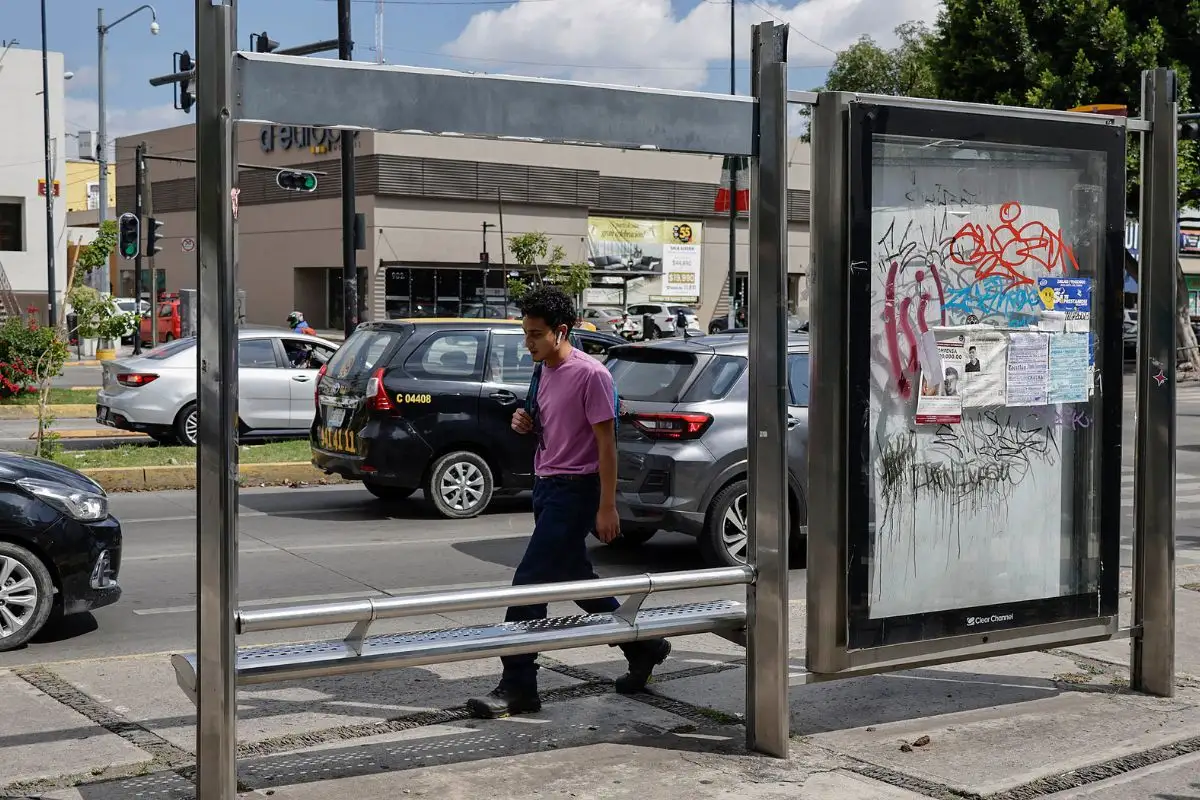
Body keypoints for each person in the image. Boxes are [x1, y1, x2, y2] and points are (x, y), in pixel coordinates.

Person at [466, 287, 671, 719]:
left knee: (529, 585)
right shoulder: (543, 372)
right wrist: (526, 423)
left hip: (577, 492)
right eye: (525, 334)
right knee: (575, 578)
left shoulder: (592, 375)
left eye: (536, 335)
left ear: (561, 332)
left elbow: (607, 444)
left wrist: (607, 506)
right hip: (546, 487)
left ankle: (518, 684)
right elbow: (549, 428)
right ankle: (645, 645)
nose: (528, 343)